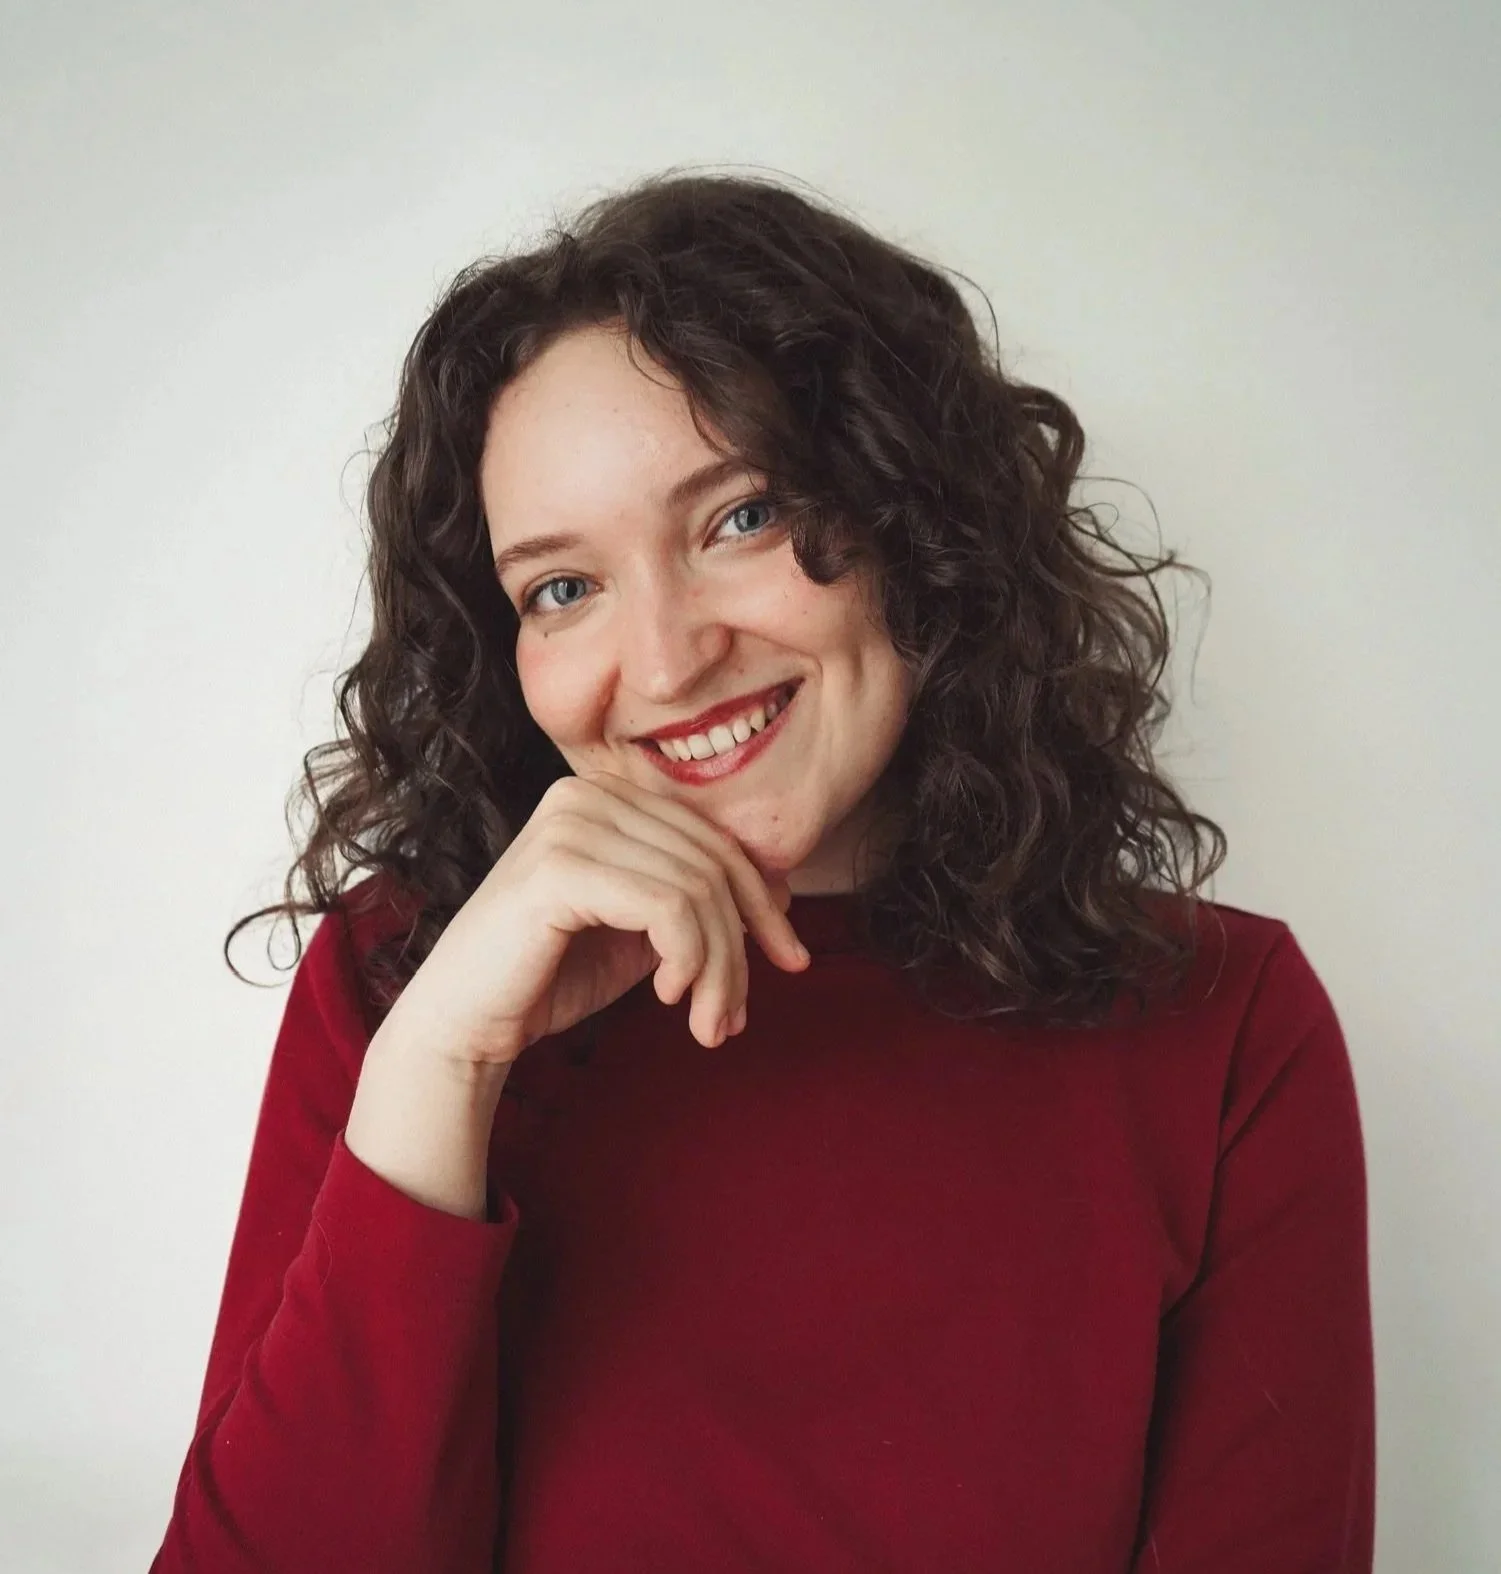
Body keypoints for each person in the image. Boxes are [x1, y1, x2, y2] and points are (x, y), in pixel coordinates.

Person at [149, 170, 1375, 1573]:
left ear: (916, 517)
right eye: (563, 586)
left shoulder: (1222, 1023)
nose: (668, 662)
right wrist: (442, 1074)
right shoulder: (400, 992)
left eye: (738, 518)